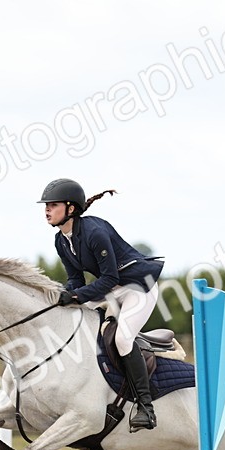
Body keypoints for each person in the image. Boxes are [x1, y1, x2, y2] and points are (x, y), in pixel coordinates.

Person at [38, 178, 164, 431]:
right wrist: (61, 295)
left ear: (70, 209)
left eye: (53, 205)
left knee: (122, 340)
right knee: (68, 317)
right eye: (46, 205)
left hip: (139, 288)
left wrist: (75, 297)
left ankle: (145, 407)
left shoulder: (94, 232)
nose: (47, 210)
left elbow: (110, 278)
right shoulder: (61, 241)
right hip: (112, 290)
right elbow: (76, 279)